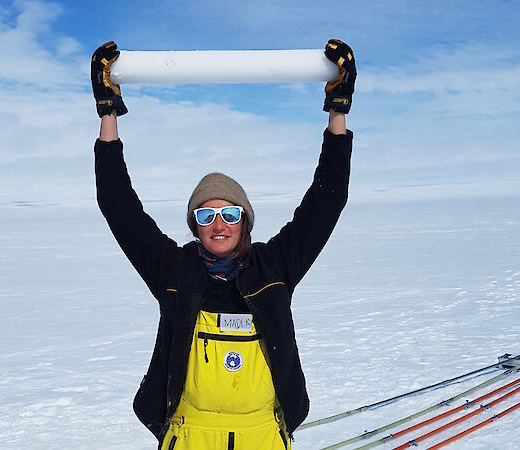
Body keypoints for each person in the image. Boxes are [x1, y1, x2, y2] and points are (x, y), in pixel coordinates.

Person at [91, 39, 355, 449]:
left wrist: (337, 111)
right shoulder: (174, 270)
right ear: (194, 225)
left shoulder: (275, 266)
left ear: (245, 221)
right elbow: (118, 205)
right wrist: (108, 114)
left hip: (262, 435)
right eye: (205, 215)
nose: (218, 225)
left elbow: (328, 198)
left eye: (230, 214)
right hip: (190, 434)